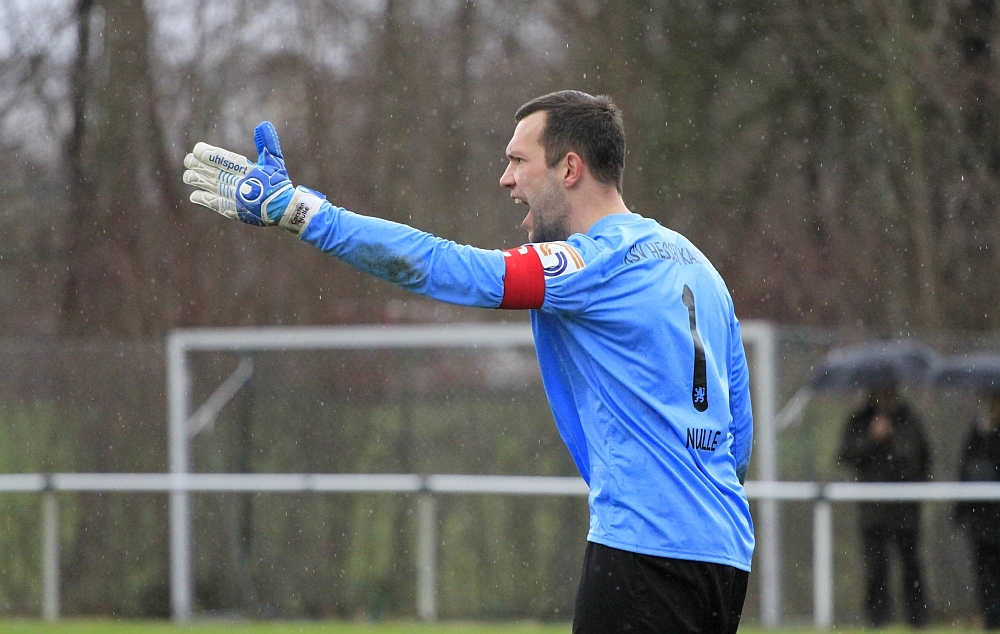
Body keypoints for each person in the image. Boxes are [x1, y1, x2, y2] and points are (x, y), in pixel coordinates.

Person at [182, 90, 755, 633]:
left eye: (518, 160)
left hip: (645, 556)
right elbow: (739, 438)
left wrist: (303, 213)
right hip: (725, 554)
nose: (506, 178)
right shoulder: (699, 268)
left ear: (570, 169)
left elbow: (449, 268)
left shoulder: (594, 264)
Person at [838, 383, 930, 628]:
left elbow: (920, 459)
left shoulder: (909, 419)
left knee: (910, 564)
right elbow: (846, 455)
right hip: (873, 510)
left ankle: (917, 619)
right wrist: (871, 439)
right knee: (875, 566)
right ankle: (877, 619)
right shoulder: (860, 420)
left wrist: (893, 439)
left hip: (905, 509)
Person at [956, 391, 1000, 629]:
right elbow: (966, 468)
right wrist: (960, 510)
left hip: (994, 516)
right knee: (984, 571)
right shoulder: (977, 432)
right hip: (980, 518)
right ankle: (990, 618)